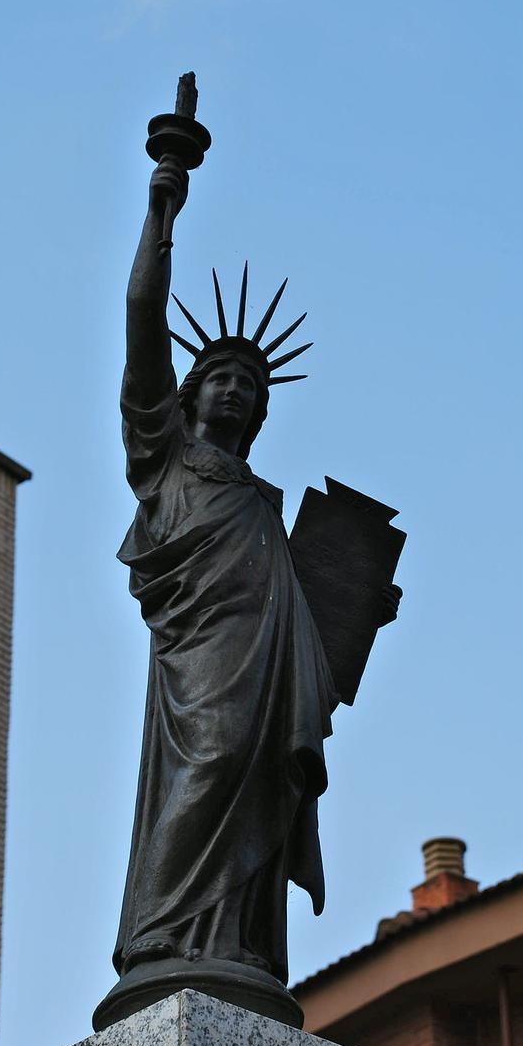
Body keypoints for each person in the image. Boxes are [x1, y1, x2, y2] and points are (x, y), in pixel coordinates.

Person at [113, 156, 394, 987]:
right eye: (222, 377)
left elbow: (297, 602)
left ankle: (237, 944)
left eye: (251, 385)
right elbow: (140, 317)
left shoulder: (263, 499)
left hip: (272, 666)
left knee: (260, 778)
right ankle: (162, 932)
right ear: (191, 391)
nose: (236, 390)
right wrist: (163, 209)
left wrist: (361, 607)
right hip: (202, 662)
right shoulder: (165, 460)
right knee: (209, 764)